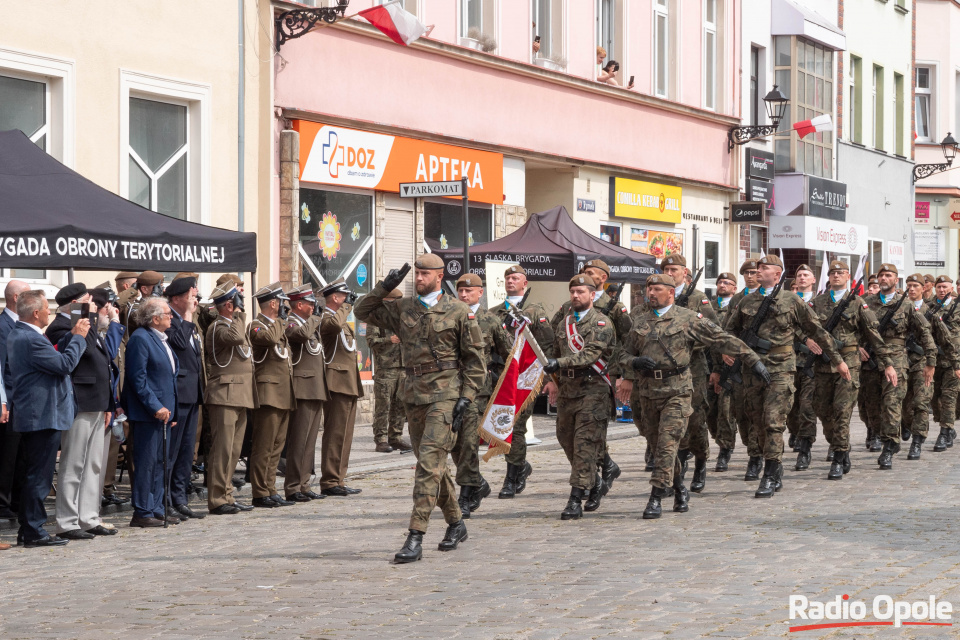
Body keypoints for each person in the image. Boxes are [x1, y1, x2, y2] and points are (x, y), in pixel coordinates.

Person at [356, 255, 485, 563]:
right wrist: (384, 286)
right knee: (433, 465)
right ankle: (456, 522)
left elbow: (475, 362)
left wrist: (466, 396)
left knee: (427, 464)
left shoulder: (459, 311)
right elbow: (362, 310)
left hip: (446, 395)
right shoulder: (404, 308)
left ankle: (416, 536)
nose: (420, 278)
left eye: (426, 273)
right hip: (413, 395)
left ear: (440, 277)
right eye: (418, 273)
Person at [619, 274, 766, 518]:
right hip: (648, 392)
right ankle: (679, 488)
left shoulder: (688, 319)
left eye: (657, 289)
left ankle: (655, 497)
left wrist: (753, 360)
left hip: (677, 391)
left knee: (668, 444)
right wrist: (634, 361)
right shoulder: (640, 321)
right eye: (649, 289)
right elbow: (622, 354)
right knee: (659, 448)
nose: (651, 293)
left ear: (671, 293)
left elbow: (721, 338)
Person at [722, 254, 845, 498]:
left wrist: (838, 360)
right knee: (757, 422)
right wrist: (726, 349)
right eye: (757, 267)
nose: (758, 270)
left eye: (764, 267)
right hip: (752, 368)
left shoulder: (791, 300)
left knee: (773, 420)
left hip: (781, 368)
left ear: (777, 274)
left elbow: (816, 331)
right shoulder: (746, 301)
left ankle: (768, 474)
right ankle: (775, 465)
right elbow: (729, 330)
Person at [8, 290, 88, 546]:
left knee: (35, 474)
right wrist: (78, 339)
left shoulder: (26, 335)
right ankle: (33, 530)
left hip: (40, 414)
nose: (49, 313)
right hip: (41, 415)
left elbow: (52, 359)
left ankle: (29, 529)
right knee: (38, 477)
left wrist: (70, 338)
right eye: (47, 308)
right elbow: (64, 365)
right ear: (35, 312)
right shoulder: (29, 338)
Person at [44, 284, 123, 540]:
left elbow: (105, 362)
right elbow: (78, 355)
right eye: (88, 301)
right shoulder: (62, 326)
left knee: (93, 465)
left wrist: (110, 404)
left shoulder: (87, 324)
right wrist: (82, 323)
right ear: (75, 304)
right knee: (73, 463)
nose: (94, 306)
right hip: (79, 401)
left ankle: (88, 517)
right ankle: (67, 521)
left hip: (98, 401)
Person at [807, 261, 895, 479]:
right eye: (832, 273)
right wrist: (806, 340)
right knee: (822, 410)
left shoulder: (857, 303)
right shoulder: (817, 302)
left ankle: (837, 457)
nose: (836, 276)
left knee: (842, 411)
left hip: (849, 363)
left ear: (848, 276)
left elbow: (874, 335)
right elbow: (800, 327)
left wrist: (888, 364)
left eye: (840, 273)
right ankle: (842, 446)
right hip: (822, 364)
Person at [540, 275, 616, 519]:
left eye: (581, 292)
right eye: (572, 291)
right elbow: (553, 351)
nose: (575, 296)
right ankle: (594, 482)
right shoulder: (563, 324)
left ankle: (575, 498)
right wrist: (552, 381)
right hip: (568, 390)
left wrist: (557, 363)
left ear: (592, 295)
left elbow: (589, 356)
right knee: (565, 439)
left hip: (593, 390)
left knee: (584, 444)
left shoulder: (602, 323)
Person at [861, 264, 935, 470]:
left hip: (896, 362)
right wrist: (857, 346)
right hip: (870, 363)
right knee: (872, 409)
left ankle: (889, 446)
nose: (884, 278)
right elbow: (853, 330)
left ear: (896, 280)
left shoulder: (906, 305)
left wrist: (931, 362)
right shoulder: (865, 303)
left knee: (892, 405)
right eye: (881, 275)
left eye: (889, 275)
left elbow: (925, 333)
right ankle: (881, 435)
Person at [489, 265, 555, 498]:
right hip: (501, 376)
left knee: (515, 425)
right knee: (504, 425)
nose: (510, 281)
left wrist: (548, 378)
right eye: (507, 277)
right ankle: (520, 467)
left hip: (527, 376)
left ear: (524, 283)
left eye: (515, 278)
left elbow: (547, 345)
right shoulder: (495, 312)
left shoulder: (535, 311)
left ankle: (511, 476)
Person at [658, 255, 719, 494]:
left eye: (674, 269)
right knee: (673, 423)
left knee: (695, 420)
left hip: (693, 369)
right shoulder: (658, 299)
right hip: (666, 373)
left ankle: (701, 462)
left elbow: (713, 332)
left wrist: (716, 369)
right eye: (666, 269)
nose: (670, 272)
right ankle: (678, 468)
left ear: (685, 272)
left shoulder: (697, 298)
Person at [452, 273, 511, 518]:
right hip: (449, 387)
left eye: (469, 291)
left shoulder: (491, 320)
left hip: (477, 390)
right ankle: (477, 481)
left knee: (467, 442)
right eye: (461, 291)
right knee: (453, 442)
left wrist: (497, 379)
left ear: (480, 293)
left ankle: (466, 493)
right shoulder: (450, 315)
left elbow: (508, 353)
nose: (464, 295)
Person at [123, 297, 180, 527]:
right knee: (146, 462)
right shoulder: (140, 339)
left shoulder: (161, 338)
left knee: (160, 462)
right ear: (155, 318)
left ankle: (156, 507)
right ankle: (142, 511)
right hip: (149, 412)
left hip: (165, 412)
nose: (171, 317)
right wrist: (156, 407)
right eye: (168, 314)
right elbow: (138, 379)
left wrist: (171, 411)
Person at [203, 283, 257, 515]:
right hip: (224, 395)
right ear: (228, 304)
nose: (240, 306)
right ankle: (217, 498)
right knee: (222, 449)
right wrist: (238, 313)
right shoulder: (218, 327)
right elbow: (235, 338)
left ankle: (227, 494)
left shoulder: (233, 325)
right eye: (236, 301)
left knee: (234, 450)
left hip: (240, 394)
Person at [579, 259, 630, 497]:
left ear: (603, 278)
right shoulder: (575, 303)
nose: (587, 275)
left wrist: (621, 375)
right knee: (583, 429)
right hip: (578, 375)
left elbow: (627, 341)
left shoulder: (614, 306)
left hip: (604, 372)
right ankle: (607, 465)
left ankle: (594, 476)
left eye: (592, 273)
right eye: (584, 272)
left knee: (594, 426)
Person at [248, 283, 296, 508]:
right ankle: (259, 492)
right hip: (268, 393)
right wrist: (281, 320)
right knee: (264, 445)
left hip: (283, 392)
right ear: (274, 303)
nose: (285, 307)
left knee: (277, 445)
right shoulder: (256, 326)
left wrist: (281, 320)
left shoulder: (278, 325)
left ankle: (270, 488)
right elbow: (268, 340)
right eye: (282, 303)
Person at [163, 276, 206, 520]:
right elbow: (179, 343)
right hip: (178, 394)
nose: (195, 301)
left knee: (186, 451)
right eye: (191, 297)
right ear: (177, 299)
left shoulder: (188, 321)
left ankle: (180, 498)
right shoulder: (169, 320)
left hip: (193, 393)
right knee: (172, 450)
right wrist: (188, 316)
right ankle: (167, 499)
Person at [318, 278, 364, 497]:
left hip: (348, 382)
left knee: (345, 435)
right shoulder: (326, 318)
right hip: (336, 382)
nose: (348, 300)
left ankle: (339, 478)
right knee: (335, 432)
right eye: (344, 297)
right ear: (335, 298)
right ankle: (329, 479)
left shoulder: (341, 319)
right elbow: (334, 326)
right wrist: (347, 307)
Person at [283, 284, 327, 502]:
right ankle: (292, 486)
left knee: (309, 442)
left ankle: (304, 484)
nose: (313, 308)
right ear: (299, 305)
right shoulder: (291, 322)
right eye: (310, 304)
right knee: (299, 441)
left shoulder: (309, 323)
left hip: (315, 387)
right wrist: (315, 319)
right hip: (303, 388)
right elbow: (301, 335)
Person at [721, 259, 763, 477]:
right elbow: (729, 328)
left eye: (754, 272)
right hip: (740, 363)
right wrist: (726, 349)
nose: (750, 276)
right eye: (746, 272)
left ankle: (757, 457)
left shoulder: (772, 296)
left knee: (761, 412)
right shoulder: (737, 299)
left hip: (766, 361)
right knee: (741, 412)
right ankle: (752, 446)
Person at [901, 274, 941, 459]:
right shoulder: (898, 309)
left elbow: (941, 340)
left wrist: (932, 363)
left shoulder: (931, 311)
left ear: (923, 288)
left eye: (916, 285)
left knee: (921, 403)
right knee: (904, 406)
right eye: (909, 285)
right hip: (902, 363)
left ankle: (917, 441)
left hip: (923, 364)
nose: (911, 289)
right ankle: (908, 426)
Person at [368, 289, 412, 453]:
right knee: (383, 406)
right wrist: (389, 339)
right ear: (387, 301)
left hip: (404, 368)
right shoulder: (376, 318)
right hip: (386, 369)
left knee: (400, 406)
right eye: (395, 301)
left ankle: (396, 437)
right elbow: (371, 341)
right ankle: (381, 439)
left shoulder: (405, 318)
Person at [0, 279, 29, 521]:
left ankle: (18, 501)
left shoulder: (23, 324)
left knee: (23, 454)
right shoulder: (2, 325)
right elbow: (2, 366)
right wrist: (4, 401)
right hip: (10, 399)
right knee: (7, 455)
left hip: (24, 399)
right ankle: (3, 503)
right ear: (16, 298)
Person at [788, 264, 819, 468]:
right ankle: (796, 433)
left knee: (807, 406)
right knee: (791, 408)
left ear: (813, 280)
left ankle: (805, 449)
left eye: (806, 275)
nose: (802, 278)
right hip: (788, 362)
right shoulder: (786, 303)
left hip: (811, 364)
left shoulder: (821, 303)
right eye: (798, 275)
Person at [708, 272, 738, 471]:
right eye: (720, 282)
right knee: (710, 412)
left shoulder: (738, 306)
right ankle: (719, 438)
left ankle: (725, 450)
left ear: (734, 288)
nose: (722, 285)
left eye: (727, 283)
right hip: (708, 364)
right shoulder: (708, 306)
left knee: (726, 412)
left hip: (731, 366)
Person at [928, 276, 960, 453]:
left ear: (951, 288)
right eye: (939, 287)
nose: (941, 290)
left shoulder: (958, 307)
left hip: (953, 360)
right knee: (934, 397)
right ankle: (947, 425)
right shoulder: (929, 306)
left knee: (949, 397)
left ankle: (944, 432)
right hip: (933, 360)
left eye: (945, 287)